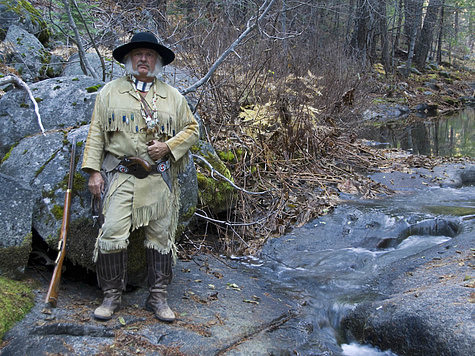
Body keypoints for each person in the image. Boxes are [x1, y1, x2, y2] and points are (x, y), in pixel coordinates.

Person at [81, 32, 199, 322]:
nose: (143, 59)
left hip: (158, 179)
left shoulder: (173, 97)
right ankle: (111, 297)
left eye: (149, 55)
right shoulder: (110, 92)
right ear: (129, 59)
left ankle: (158, 298)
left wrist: (168, 147)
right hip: (120, 176)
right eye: (138, 54)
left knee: (161, 237)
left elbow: (193, 129)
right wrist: (94, 171)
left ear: (157, 61)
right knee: (111, 234)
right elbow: (96, 131)